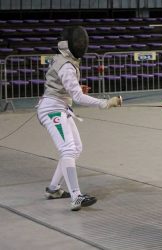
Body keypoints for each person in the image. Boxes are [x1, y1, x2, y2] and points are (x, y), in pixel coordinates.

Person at [36, 26, 121, 211]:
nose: (82, 45)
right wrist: (105, 103)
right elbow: (78, 98)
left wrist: (76, 89)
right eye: (79, 42)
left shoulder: (66, 60)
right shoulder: (67, 65)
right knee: (67, 149)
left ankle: (53, 189)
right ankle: (75, 196)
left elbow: (67, 88)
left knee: (75, 149)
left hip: (61, 107)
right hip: (52, 110)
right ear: (69, 45)